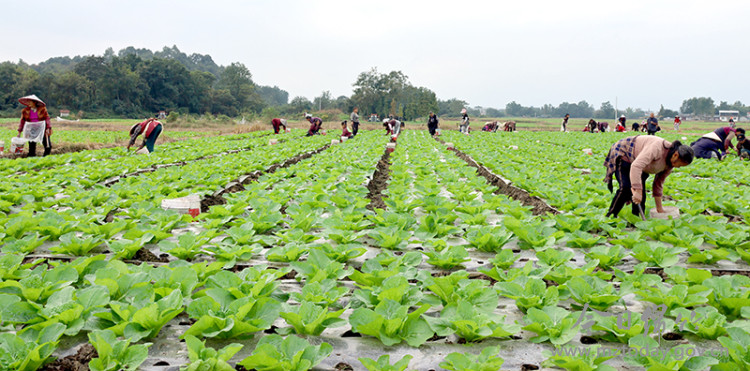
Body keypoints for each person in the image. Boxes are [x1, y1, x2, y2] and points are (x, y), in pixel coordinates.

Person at [604, 136, 694, 218]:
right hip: (625, 152)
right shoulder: (657, 148)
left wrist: (660, 209)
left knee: (641, 194)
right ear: (675, 155)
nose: (678, 167)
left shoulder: (670, 165)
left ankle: (636, 217)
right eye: (680, 165)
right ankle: (611, 215)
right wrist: (637, 190)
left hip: (641, 163)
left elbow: (658, 184)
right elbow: (636, 166)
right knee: (626, 188)